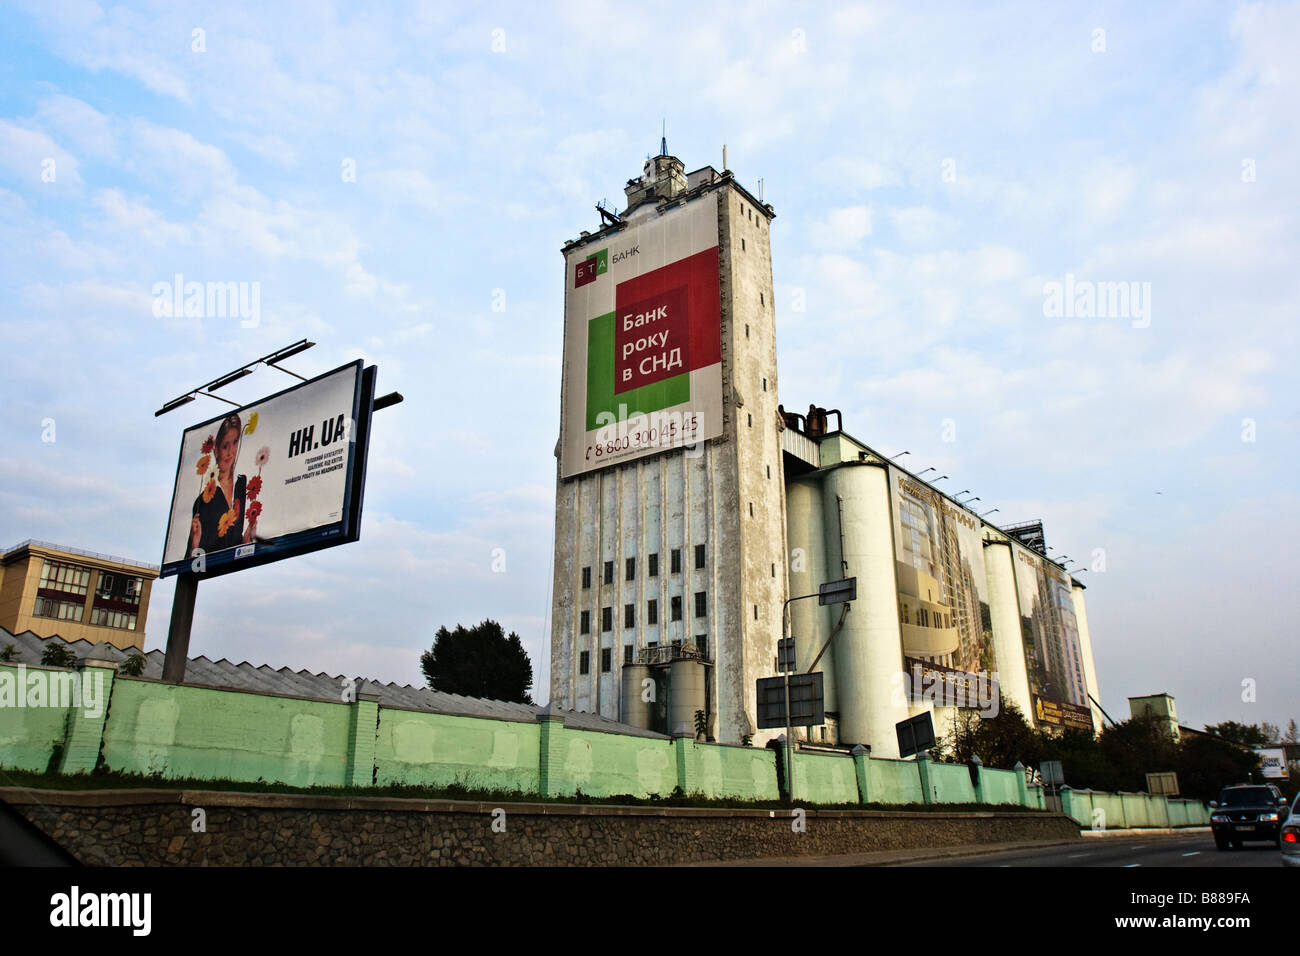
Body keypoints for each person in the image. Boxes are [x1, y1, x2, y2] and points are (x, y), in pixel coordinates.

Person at [189, 413, 259, 556]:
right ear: (216, 450)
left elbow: (232, 548)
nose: (230, 453)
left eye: (234, 443)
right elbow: (196, 563)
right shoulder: (204, 501)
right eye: (225, 446)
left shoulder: (241, 485)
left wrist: (245, 542)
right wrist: (194, 545)